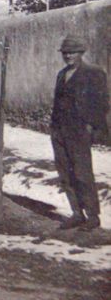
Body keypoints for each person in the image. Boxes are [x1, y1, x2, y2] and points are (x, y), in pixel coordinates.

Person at [51, 35, 108, 231]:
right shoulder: (61, 74)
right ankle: (77, 213)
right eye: (65, 52)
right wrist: (54, 128)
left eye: (72, 52)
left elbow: (101, 103)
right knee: (65, 173)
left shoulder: (94, 73)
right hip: (59, 131)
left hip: (79, 131)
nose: (68, 56)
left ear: (81, 53)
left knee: (83, 173)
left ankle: (93, 216)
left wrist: (92, 127)